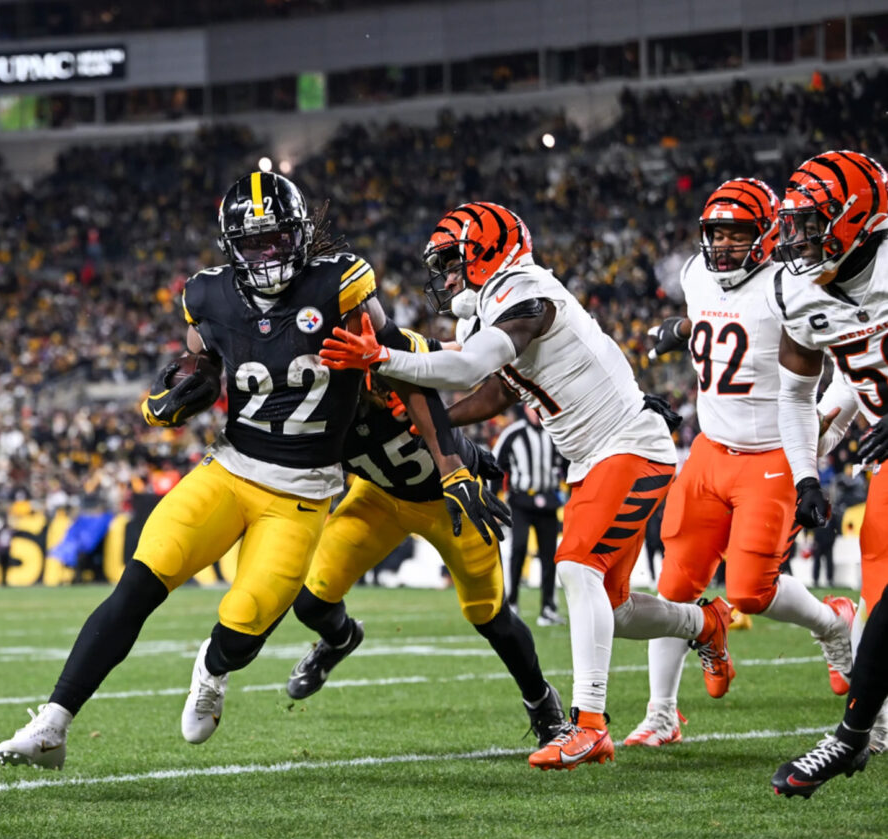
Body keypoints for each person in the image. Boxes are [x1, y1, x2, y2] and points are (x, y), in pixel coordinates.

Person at [0, 172, 489, 770]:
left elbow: (406, 369)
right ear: (232, 247)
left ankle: (213, 665)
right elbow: (203, 362)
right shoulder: (207, 295)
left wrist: (452, 464)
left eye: (277, 240)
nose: (267, 255)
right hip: (228, 471)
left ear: (300, 236)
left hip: (302, 496)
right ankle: (52, 726)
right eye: (254, 245)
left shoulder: (341, 285)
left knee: (245, 622)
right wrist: (180, 391)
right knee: (139, 585)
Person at [320, 201, 735, 771]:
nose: (445, 278)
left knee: (575, 567)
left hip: (627, 444)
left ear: (487, 253)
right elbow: (495, 392)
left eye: (453, 262)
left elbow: (469, 367)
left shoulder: (525, 289)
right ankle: (705, 623)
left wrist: (385, 357)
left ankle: (589, 727)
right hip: (591, 457)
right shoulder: (488, 309)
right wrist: (426, 421)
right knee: (610, 608)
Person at [627, 178, 854, 748]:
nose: (723, 247)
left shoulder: (793, 286)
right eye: (716, 234)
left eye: (737, 234)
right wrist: (680, 331)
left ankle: (833, 621)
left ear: (767, 234)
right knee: (674, 585)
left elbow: (836, 362)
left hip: (771, 454)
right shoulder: (694, 274)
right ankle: (661, 713)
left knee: (752, 590)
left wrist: (821, 444)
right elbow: (714, 320)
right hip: (709, 449)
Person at [284, 375, 565, 747]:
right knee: (310, 600)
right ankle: (340, 639)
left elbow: (445, 402)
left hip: (447, 501)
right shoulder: (305, 412)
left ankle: (542, 702)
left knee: (490, 617)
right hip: (379, 498)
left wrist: (467, 456)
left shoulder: (392, 376)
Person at [766, 150, 888, 795]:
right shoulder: (799, 291)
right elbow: (794, 395)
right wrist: (805, 476)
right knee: (882, 601)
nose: (797, 239)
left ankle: (852, 738)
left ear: (855, 217)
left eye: (811, 224)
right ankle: (856, 736)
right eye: (794, 225)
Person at [493, 404, 566, 625]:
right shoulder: (514, 433)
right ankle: (512, 602)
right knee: (518, 548)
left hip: (549, 501)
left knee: (549, 555)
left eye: (540, 407)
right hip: (521, 500)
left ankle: (548, 607)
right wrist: (494, 501)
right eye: (532, 407)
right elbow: (496, 467)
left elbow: (568, 464)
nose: (536, 411)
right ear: (525, 409)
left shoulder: (556, 433)